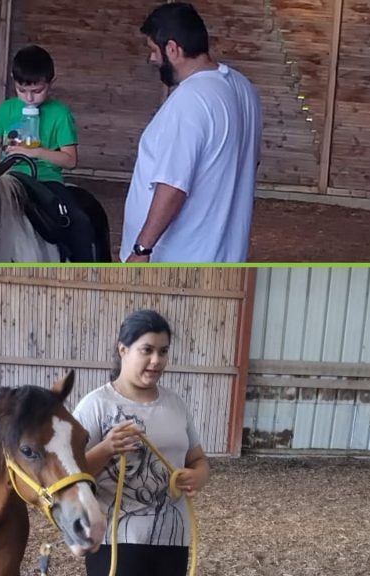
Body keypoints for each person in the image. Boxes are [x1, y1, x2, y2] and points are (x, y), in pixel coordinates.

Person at [121, 2, 263, 263]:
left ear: (172, 49)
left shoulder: (190, 100)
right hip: (225, 256)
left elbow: (173, 185)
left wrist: (142, 249)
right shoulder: (243, 88)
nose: (152, 59)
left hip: (177, 260)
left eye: (153, 50)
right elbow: (250, 163)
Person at [73, 309, 209, 576]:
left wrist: (198, 477)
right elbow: (71, 477)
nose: (156, 360)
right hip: (114, 541)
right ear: (123, 350)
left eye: (163, 351)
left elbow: (198, 460)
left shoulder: (176, 405)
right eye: (147, 350)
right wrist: (106, 448)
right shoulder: (95, 406)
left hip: (171, 538)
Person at [0, 44, 78, 188]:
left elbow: (70, 161)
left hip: (47, 180)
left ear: (51, 82)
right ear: (13, 79)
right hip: (10, 177)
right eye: (21, 90)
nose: (29, 98)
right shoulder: (7, 109)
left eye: (37, 91)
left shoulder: (60, 113)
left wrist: (36, 152)